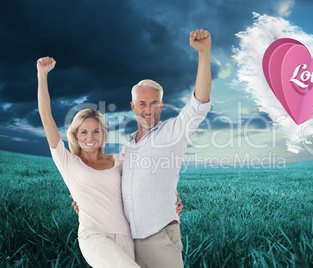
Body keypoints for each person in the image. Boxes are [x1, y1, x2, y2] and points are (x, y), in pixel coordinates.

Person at [36, 57, 182, 267]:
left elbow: (147, 180)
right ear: (75, 135)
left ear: (103, 134)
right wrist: (42, 75)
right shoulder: (68, 162)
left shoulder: (120, 160)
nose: (90, 137)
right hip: (94, 235)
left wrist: (169, 203)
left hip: (126, 238)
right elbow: (46, 116)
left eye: (96, 131)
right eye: (84, 132)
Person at [122, 29, 212, 267]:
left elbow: (199, 104)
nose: (148, 110)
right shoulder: (127, 148)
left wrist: (204, 54)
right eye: (142, 104)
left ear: (161, 104)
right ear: (133, 106)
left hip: (159, 236)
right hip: (128, 241)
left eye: (154, 103)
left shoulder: (173, 133)